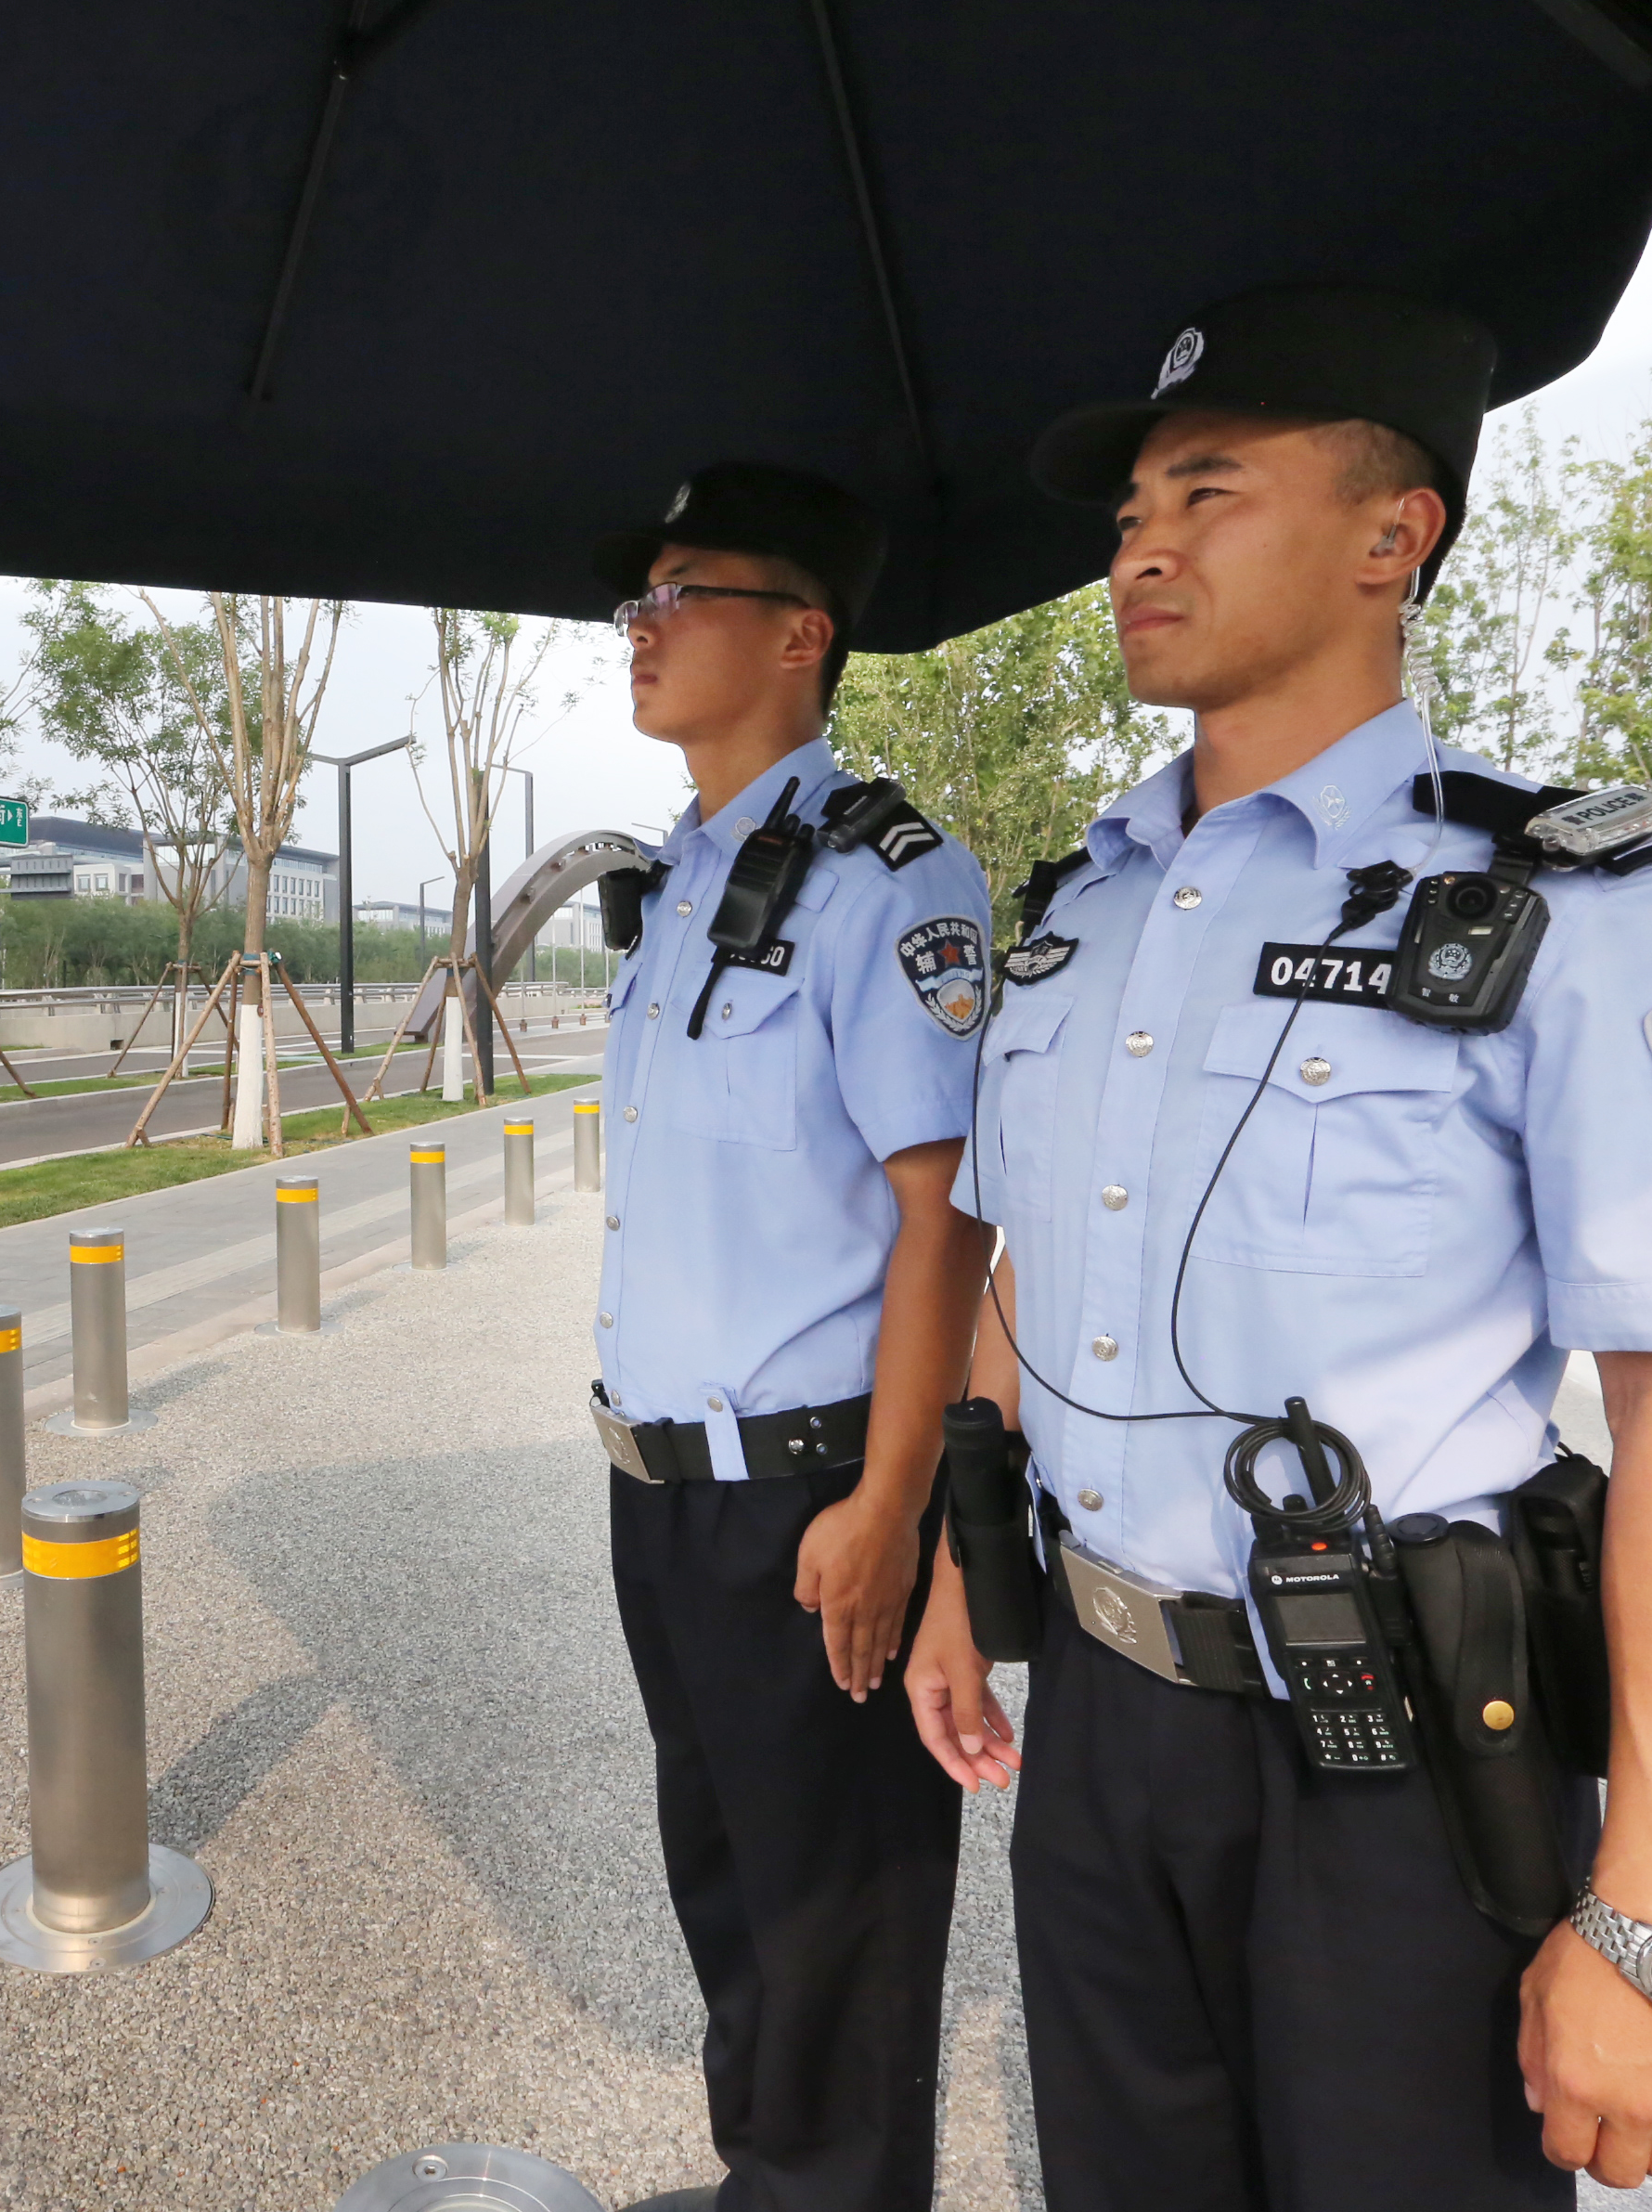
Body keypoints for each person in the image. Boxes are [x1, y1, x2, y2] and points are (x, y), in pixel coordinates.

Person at [903, 286, 1652, 2208]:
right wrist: (956, 1572)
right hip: (1096, 1732)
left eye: (1208, 490)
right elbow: (1026, 1282)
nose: (1140, 544)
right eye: (1130, 508)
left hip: (1397, 1768)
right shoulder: (1083, 906)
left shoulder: (1571, 904)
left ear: (1392, 537)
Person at [584, 463, 1000, 2212]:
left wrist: (896, 1507)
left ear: (801, 635)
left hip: (816, 1489)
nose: (643, 628)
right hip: (664, 1491)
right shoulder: (682, 877)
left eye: (682, 593)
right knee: (730, 1879)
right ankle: (772, 2177)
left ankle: (835, 2192)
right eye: (638, 602)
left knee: (845, 1914)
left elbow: (949, 1216)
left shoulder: (883, 881)